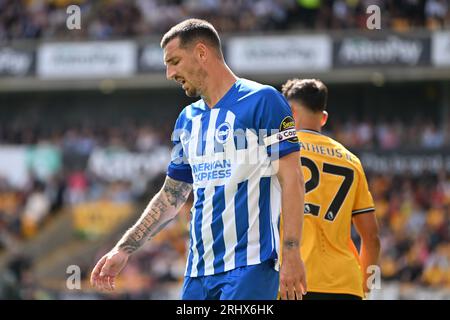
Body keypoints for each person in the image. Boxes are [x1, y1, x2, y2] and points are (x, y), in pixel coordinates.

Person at [91, 19, 307, 300]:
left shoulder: (263, 100)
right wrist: (124, 248)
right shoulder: (187, 119)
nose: (169, 73)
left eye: (175, 61)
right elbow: (172, 196)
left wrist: (291, 252)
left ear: (202, 53)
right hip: (198, 272)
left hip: (251, 266)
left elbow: (293, 180)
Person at [281, 78, 380, 300]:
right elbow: (372, 237)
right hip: (346, 284)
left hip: (293, 280)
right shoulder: (351, 160)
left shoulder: (279, 152)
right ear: (323, 118)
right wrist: (365, 286)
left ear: (290, 112)